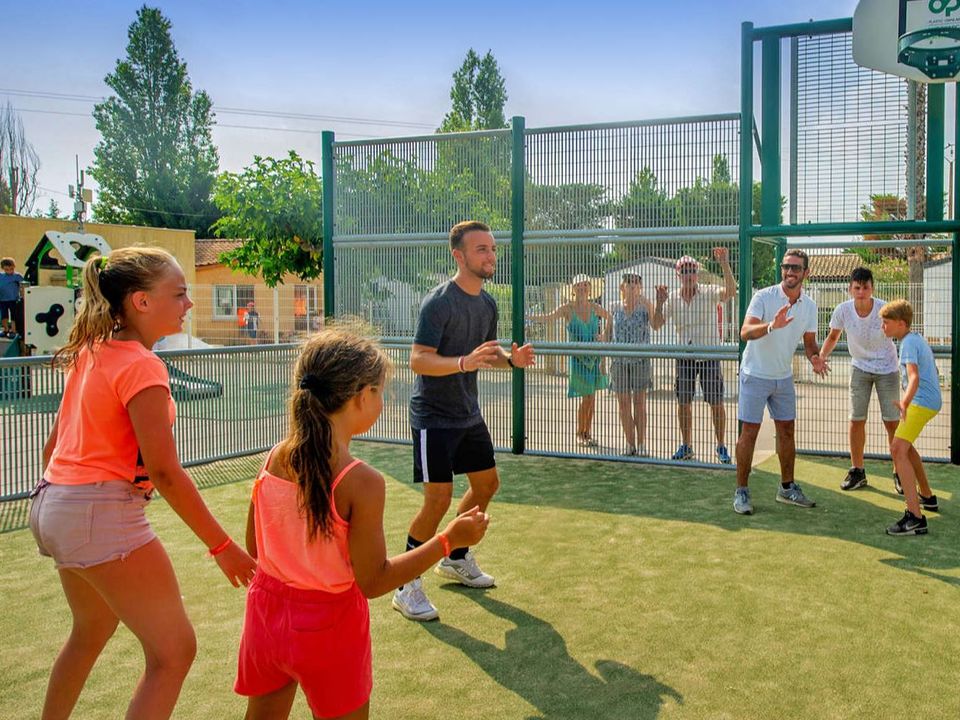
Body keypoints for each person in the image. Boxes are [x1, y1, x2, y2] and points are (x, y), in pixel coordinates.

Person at [28, 248, 256, 720]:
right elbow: (165, 472)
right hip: (98, 513)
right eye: (179, 294)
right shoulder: (142, 365)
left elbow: (53, 447)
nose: (188, 303)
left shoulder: (90, 353)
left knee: (90, 631)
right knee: (174, 652)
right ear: (140, 302)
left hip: (52, 505)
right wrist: (223, 546)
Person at [235, 328, 489, 719]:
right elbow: (373, 581)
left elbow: (256, 548)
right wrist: (448, 540)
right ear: (360, 396)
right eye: (381, 391)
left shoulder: (273, 458)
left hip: (266, 619)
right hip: (330, 629)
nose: (382, 401)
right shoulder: (361, 481)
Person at [392, 220, 535, 622]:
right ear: (459, 256)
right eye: (481, 250)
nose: (491, 256)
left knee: (487, 484)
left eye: (492, 249)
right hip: (433, 417)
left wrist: (512, 361)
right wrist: (461, 362)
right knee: (437, 500)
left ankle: (454, 556)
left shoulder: (487, 304)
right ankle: (405, 584)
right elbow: (417, 359)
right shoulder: (439, 302)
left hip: (467, 414)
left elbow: (486, 355)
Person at [733, 249, 829, 515]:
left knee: (787, 432)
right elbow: (745, 333)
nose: (789, 272)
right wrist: (771, 326)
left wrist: (815, 359)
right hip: (754, 375)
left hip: (783, 378)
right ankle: (741, 492)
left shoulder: (809, 306)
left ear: (805, 273)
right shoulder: (763, 296)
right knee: (749, 433)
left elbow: (810, 345)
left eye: (796, 268)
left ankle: (787, 488)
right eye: (786, 267)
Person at [818, 267, 901, 491]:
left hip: (888, 368)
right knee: (856, 419)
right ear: (850, 289)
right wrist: (822, 357)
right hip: (859, 368)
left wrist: (909, 365)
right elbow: (833, 336)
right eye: (857, 287)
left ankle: (899, 471)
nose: (861, 291)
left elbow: (900, 333)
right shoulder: (843, 310)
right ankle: (857, 471)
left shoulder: (884, 308)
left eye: (865, 287)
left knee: (892, 421)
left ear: (872, 288)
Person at [652, 248, 737, 463]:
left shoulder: (708, 292)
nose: (688, 275)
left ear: (697, 274)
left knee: (716, 402)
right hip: (685, 356)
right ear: (678, 275)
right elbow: (656, 325)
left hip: (709, 355)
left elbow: (731, 292)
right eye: (684, 271)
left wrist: (724, 264)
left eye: (692, 270)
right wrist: (660, 302)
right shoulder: (672, 299)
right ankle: (687, 445)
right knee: (684, 402)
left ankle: (720, 446)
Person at [879, 300, 941, 536]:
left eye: (886, 323)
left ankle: (915, 517)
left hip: (921, 402)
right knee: (906, 447)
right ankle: (927, 496)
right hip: (927, 401)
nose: (883, 327)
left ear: (901, 324)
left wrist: (905, 402)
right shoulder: (914, 339)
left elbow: (913, 377)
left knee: (897, 449)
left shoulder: (907, 344)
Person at [529, 273, 610, 447]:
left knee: (592, 397)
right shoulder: (567, 308)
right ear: (573, 289)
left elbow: (610, 318)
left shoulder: (595, 308)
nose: (582, 288)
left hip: (594, 359)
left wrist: (604, 335)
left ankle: (588, 433)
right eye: (578, 286)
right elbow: (548, 317)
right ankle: (580, 434)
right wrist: (527, 317)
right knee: (586, 398)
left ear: (590, 288)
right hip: (578, 359)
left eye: (585, 285)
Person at [609, 273, 654, 456]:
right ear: (622, 287)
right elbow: (607, 334)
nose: (632, 286)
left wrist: (651, 304)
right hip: (619, 362)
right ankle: (630, 443)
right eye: (629, 283)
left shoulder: (644, 307)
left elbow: (657, 324)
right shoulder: (614, 308)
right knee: (623, 404)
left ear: (640, 287)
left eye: (636, 283)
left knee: (640, 403)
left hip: (640, 360)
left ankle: (642, 444)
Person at [1, 256, 24, 338]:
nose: (9, 271)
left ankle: (13, 331)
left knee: (14, 316)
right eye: (7, 270)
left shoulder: (17, 276)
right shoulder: (1, 276)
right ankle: (5, 329)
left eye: (11, 269)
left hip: (13, 299)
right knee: (4, 315)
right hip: (3, 299)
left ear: (14, 267)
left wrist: (22, 295)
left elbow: (23, 286)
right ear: (3, 268)